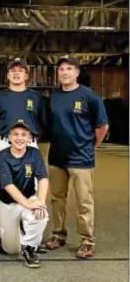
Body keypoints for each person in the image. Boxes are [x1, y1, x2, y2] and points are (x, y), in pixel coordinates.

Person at [45, 55, 109, 259]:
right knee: (57, 199)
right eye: (61, 69)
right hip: (57, 157)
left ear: (77, 72)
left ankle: (87, 240)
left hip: (81, 158)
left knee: (84, 201)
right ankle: (58, 234)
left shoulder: (90, 96)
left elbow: (102, 127)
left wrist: (90, 146)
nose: (64, 72)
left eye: (69, 69)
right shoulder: (54, 97)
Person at [0, 58, 48, 249]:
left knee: (33, 184)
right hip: (5, 143)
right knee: (1, 186)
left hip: (29, 144)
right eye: (13, 70)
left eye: (20, 70)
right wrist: (5, 141)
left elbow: (42, 123)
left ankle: (31, 229)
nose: (16, 73)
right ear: (7, 75)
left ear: (26, 75)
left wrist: (29, 141)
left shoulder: (36, 97)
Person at [0, 120, 49, 268]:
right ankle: (22, 234)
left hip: (28, 196)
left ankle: (29, 247)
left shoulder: (34, 153)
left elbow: (43, 178)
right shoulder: (2, 156)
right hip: (7, 201)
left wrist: (40, 202)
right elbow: (8, 185)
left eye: (24, 134)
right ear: (9, 137)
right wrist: (27, 203)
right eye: (16, 134)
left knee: (41, 215)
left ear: (30, 137)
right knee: (11, 249)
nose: (19, 138)